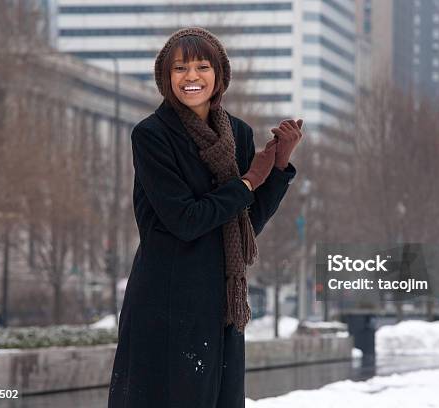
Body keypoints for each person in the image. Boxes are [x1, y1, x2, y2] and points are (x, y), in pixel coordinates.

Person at [107, 27, 303, 408]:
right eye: (180, 68)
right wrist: (248, 182)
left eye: (202, 66)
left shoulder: (240, 135)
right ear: (166, 77)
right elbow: (185, 219)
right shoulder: (152, 136)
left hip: (222, 303)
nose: (191, 76)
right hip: (167, 299)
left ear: (220, 75)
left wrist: (277, 168)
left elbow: (246, 224)